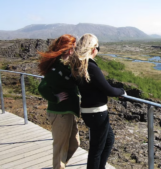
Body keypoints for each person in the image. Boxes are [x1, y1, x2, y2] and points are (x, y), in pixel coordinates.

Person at [71, 33, 126, 169]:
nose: (98, 50)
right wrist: (122, 91)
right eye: (98, 47)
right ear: (93, 48)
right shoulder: (91, 67)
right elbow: (109, 90)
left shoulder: (79, 65)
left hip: (89, 112)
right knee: (96, 150)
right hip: (97, 113)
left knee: (108, 140)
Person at [37, 34, 80, 169]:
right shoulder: (56, 69)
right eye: (75, 47)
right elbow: (42, 87)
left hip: (67, 112)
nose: (76, 49)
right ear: (69, 49)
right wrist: (56, 98)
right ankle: (59, 166)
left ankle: (60, 165)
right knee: (60, 147)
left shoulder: (64, 65)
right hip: (60, 112)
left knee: (75, 143)